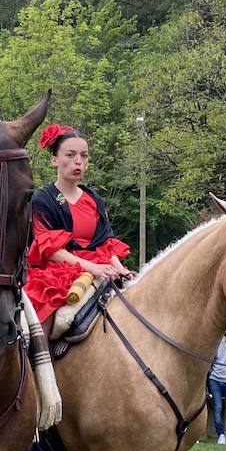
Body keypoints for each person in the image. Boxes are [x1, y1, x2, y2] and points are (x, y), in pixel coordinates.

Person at [23, 123, 131, 333]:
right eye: (71, 155)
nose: (78, 161)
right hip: (58, 269)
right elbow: (50, 250)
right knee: (43, 311)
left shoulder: (94, 199)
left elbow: (106, 242)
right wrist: (92, 268)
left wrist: (120, 268)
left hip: (99, 264)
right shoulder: (42, 199)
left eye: (84, 156)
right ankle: (38, 362)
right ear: (54, 160)